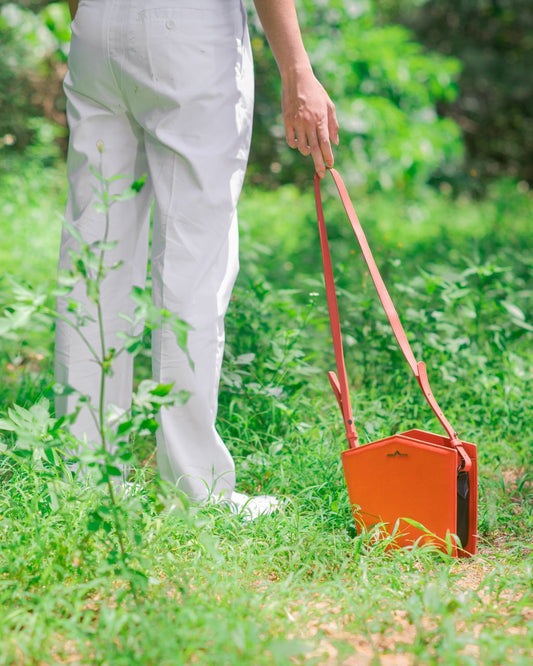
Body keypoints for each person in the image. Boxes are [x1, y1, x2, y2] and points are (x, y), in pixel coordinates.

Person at [56, 0, 338, 515]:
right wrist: (298, 69)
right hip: (186, 31)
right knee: (193, 262)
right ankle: (196, 492)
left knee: (94, 258)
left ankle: (86, 478)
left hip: (95, 26)